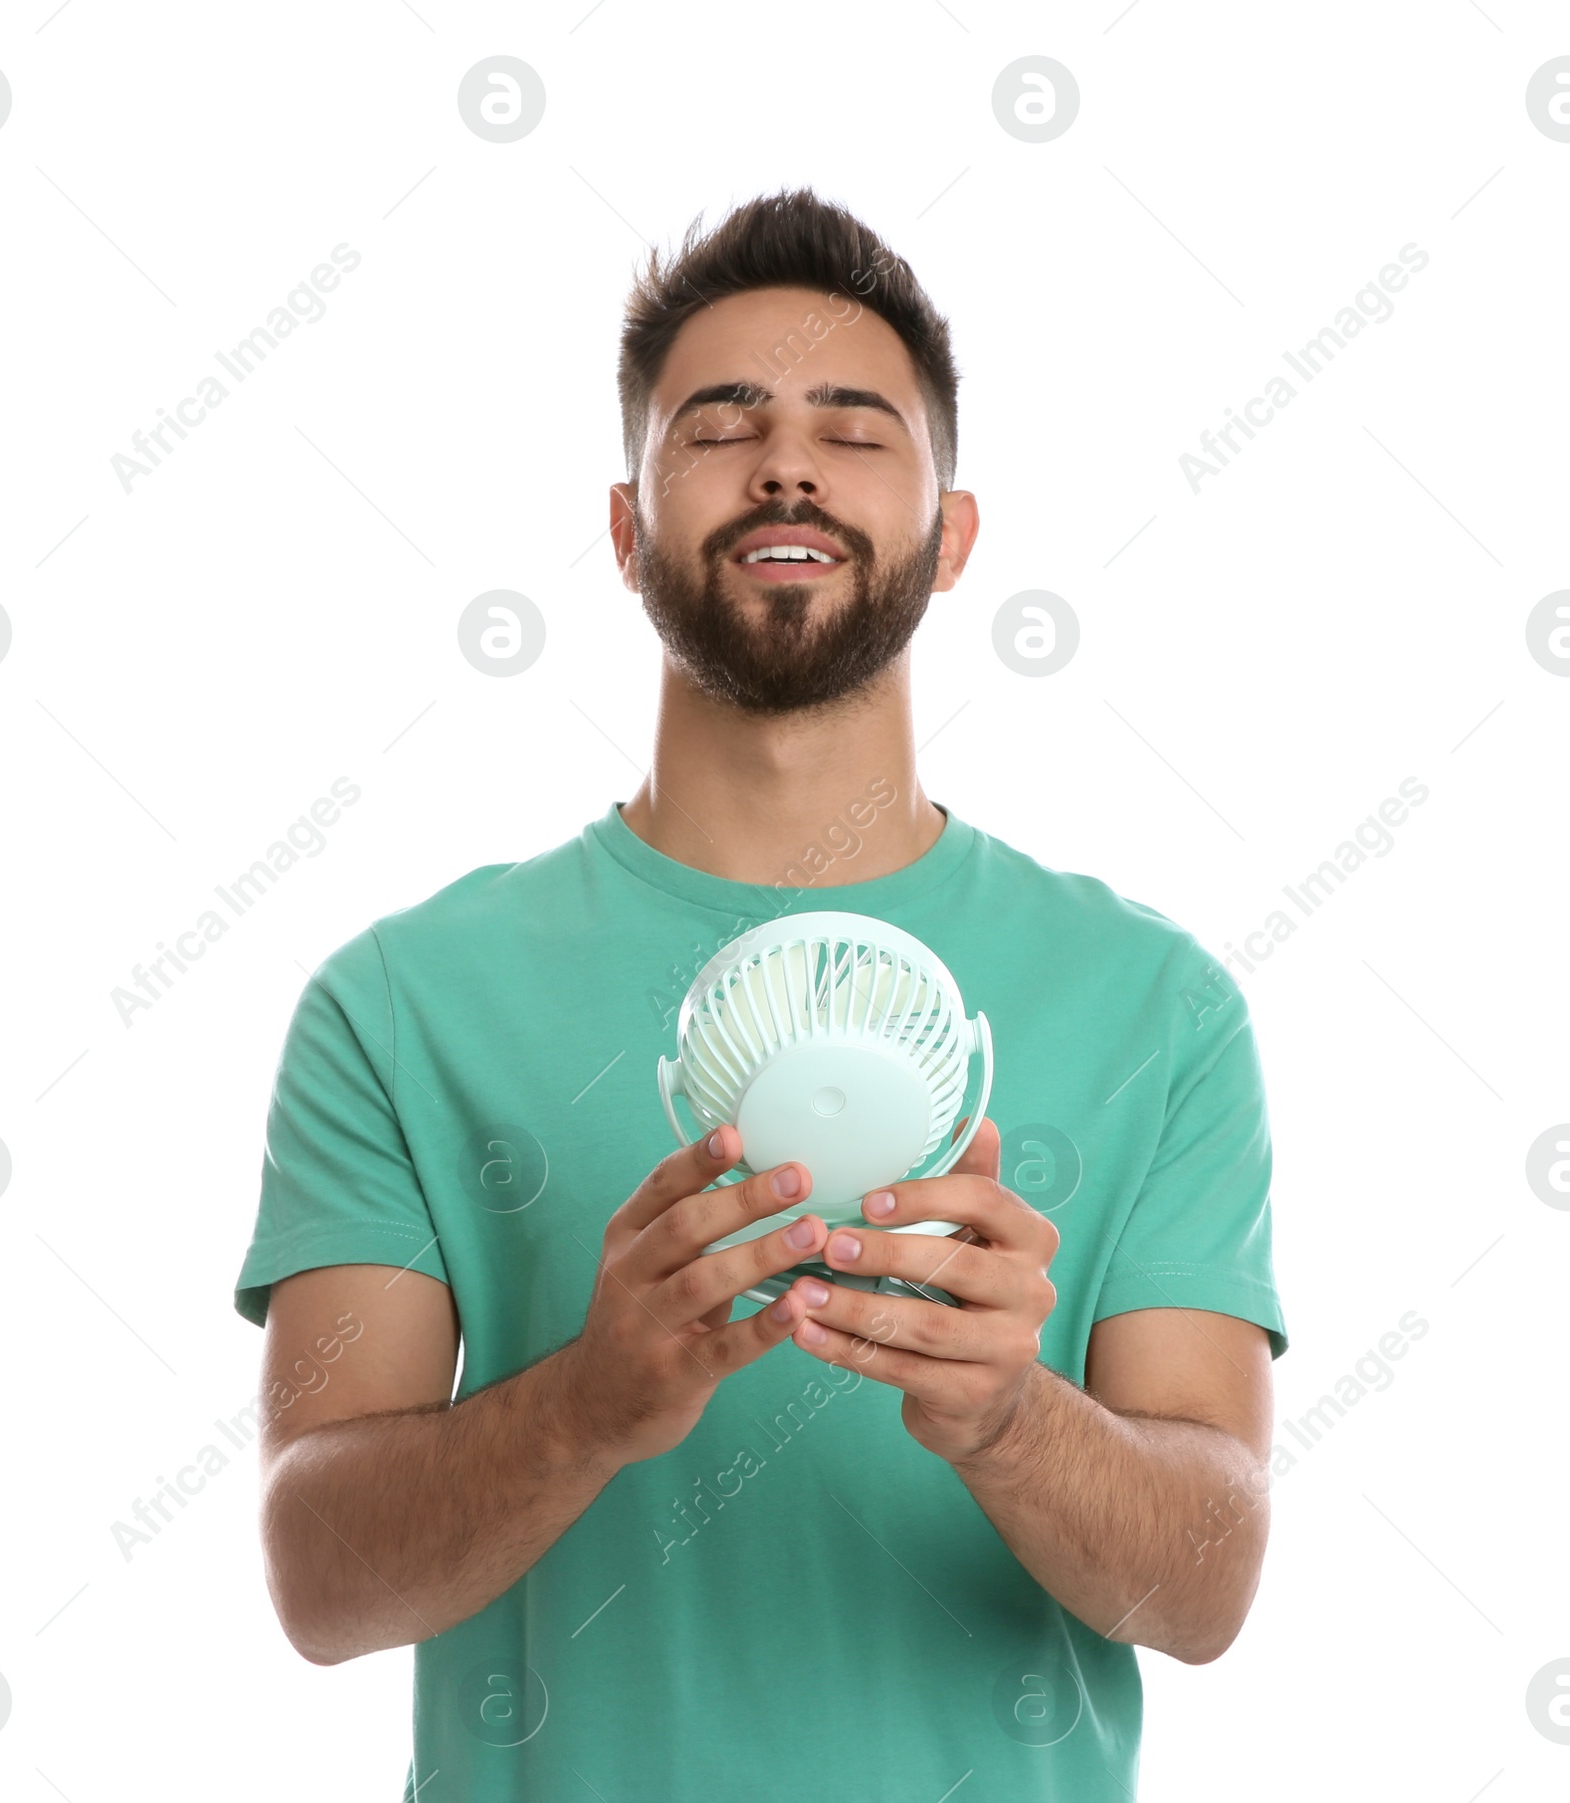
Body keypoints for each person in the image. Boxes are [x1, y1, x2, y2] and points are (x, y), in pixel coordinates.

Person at [234, 186, 1288, 1802]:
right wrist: (586, 1403)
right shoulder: (403, 1002)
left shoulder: (1158, 1005)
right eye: (721, 425)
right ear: (623, 528)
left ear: (953, 539)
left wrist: (1010, 1416)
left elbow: (1206, 1592)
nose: (787, 462)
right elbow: (320, 1582)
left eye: (854, 430)